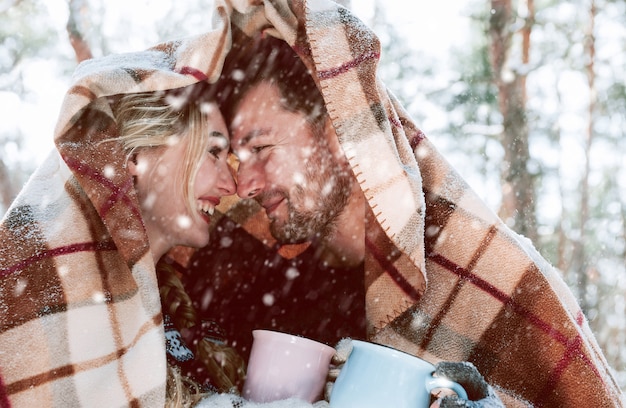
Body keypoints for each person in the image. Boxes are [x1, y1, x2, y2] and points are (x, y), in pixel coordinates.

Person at [163, 1, 624, 407]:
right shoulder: (249, 267)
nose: (245, 184)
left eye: (261, 150)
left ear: (337, 135)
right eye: (238, 159)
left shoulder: (476, 273)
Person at [0, 30, 237, 406]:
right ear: (136, 156)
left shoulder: (181, 302)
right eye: (212, 152)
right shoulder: (40, 298)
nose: (231, 184)